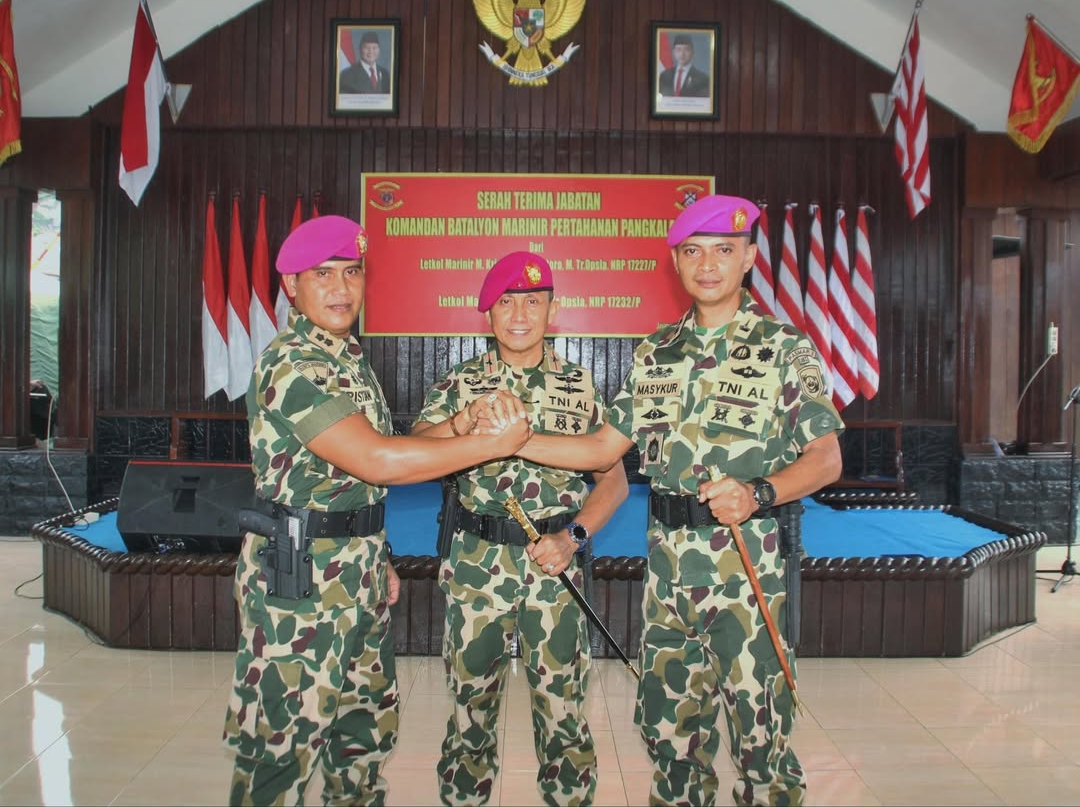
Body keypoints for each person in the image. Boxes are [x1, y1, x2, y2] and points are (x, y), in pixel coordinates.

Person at [514, 195, 843, 806]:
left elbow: (826, 458)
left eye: (723, 250)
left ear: (748, 257)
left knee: (762, 741)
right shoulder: (655, 352)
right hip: (667, 579)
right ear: (676, 261)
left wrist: (759, 492)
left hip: (746, 573)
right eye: (693, 251)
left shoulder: (783, 347)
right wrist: (516, 439)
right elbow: (601, 448)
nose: (707, 264)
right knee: (669, 737)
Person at [222, 215, 532, 807]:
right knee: (282, 750)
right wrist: (489, 444)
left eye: (352, 272)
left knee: (362, 738)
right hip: (301, 584)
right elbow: (377, 460)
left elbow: (356, 478)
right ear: (291, 285)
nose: (341, 288)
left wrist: (460, 424)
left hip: (355, 571)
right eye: (323, 274)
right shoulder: (293, 365)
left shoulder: (347, 360)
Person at [411, 251, 629, 807]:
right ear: (488, 314)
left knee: (563, 711)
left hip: (555, 568)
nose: (520, 315)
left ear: (552, 310)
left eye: (533, 301)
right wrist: (463, 422)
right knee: (470, 709)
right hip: (477, 567)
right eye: (506, 302)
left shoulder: (579, 386)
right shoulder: (461, 383)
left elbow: (614, 481)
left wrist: (573, 538)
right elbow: (416, 450)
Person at [659, 33, 710, 97]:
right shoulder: (664, 76)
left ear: (692, 53)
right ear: (673, 52)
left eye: (686, 50)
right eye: (678, 49)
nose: (682, 54)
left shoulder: (703, 79)